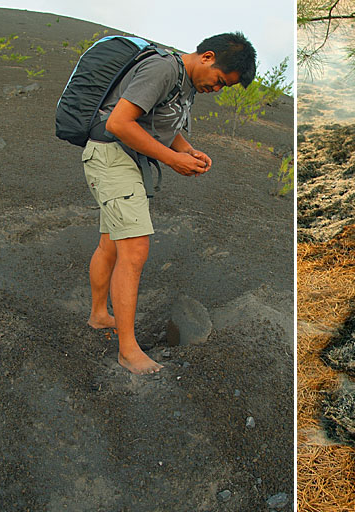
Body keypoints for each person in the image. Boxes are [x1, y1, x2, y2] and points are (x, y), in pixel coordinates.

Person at [83, 32, 256, 374]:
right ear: (207, 57)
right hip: (111, 157)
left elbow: (158, 123)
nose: (217, 89)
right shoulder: (163, 69)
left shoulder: (184, 82)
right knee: (134, 250)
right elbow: (120, 122)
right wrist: (172, 160)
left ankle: (100, 315)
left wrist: (186, 151)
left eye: (225, 87)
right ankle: (128, 351)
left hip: (126, 161)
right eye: (220, 81)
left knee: (111, 244)